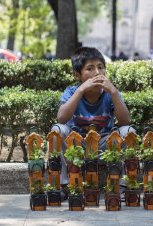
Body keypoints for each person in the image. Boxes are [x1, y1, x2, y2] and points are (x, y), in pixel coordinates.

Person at [51, 47, 135, 199]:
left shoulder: (111, 94)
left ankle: (123, 185)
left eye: (101, 67)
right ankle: (64, 185)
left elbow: (125, 121)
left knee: (129, 131)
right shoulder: (71, 92)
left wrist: (114, 93)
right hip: (77, 146)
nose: (97, 73)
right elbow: (61, 118)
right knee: (57, 130)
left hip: (105, 146)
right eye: (90, 68)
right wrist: (80, 91)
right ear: (77, 75)